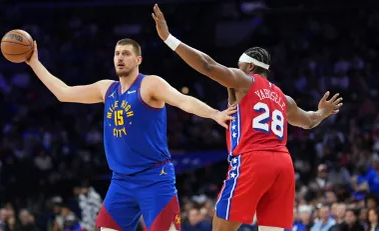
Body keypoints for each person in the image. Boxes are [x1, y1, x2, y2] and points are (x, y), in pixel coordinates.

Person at [152, 4, 343, 231]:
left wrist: (169, 38)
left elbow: (208, 66)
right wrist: (324, 112)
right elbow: (310, 121)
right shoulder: (284, 97)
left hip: (253, 159)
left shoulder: (245, 81)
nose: (236, 68)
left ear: (250, 65)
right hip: (283, 164)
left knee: (222, 228)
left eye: (239, 65)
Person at [25, 38, 236, 231]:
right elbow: (64, 93)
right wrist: (34, 62)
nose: (120, 58)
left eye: (126, 53)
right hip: (121, 181)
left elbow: (183, 100)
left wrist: (214, 113)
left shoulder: (150, 84)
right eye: (117, 53)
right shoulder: (106, 89)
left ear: (138, 59)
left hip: (154, 178)